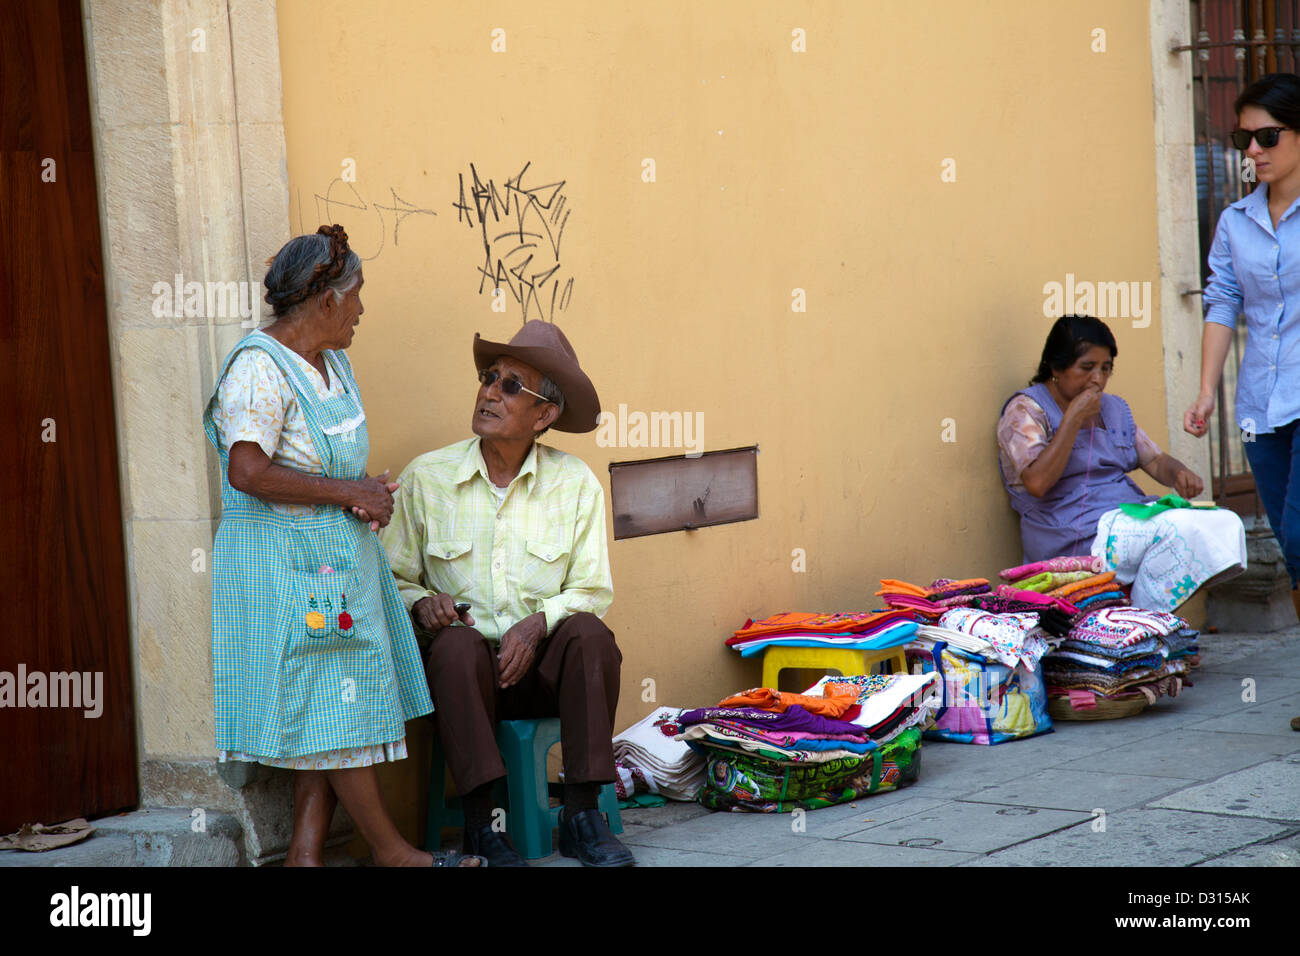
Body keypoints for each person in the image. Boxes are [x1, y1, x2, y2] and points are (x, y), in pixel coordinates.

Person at [204, 225, 478, 866]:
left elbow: (326, 467)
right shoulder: (258, 370)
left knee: (328, 706)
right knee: (334, 705)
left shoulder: (334, 362)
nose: (362, 309)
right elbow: (247, 471)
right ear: (326, 301)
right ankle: (392, 853)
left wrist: (361, 492)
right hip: (287, 570)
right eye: (356, 295)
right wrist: (347, 492)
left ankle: (304, 855)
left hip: (337, 567)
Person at [381, 320, 633, 867]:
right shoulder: (428, 477)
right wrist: (421, 602)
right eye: (488, 377)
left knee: (590, 635)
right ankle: (480, 826)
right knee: (453, 646)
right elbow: (388, 579)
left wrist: (538, 622)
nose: (490, 392)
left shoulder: (575, 484)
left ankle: (582, 815)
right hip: (461, 682)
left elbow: (592, 589)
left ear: (544, 415)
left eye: (511, 385)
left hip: (541, 674)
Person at [1185, 72, 1300, 731]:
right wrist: (1205, 390)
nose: (1252, 150)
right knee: (1294, 547)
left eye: (1267, 136)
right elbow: (1222, 303)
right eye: (1243, 138)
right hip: (1262, 403)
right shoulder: (1234, 221)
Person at [998, 314, 1245, 612]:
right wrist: (1073, 417)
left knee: (1226, 522)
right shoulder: (1026, 410)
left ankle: (1141, 618)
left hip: (1123, 518)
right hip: (1068, 530)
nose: (1098, 379)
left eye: (1106, 369)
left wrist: (1178, 472)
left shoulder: (1112, 408)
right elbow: (1037, 483)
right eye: (1087, 368)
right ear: (1055, 367)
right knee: (1176, 530)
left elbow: (1153, 459)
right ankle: (1143, 622)